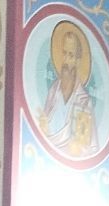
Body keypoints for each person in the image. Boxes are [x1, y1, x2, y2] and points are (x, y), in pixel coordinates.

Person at [39, 22, 98, 158]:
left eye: (70, 55)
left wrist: (77, 148)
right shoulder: (54, 90)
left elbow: (86, 147)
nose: (65, 60)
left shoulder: (84, 101)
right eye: (64, 53)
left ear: (77, 61)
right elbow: (43, 126)